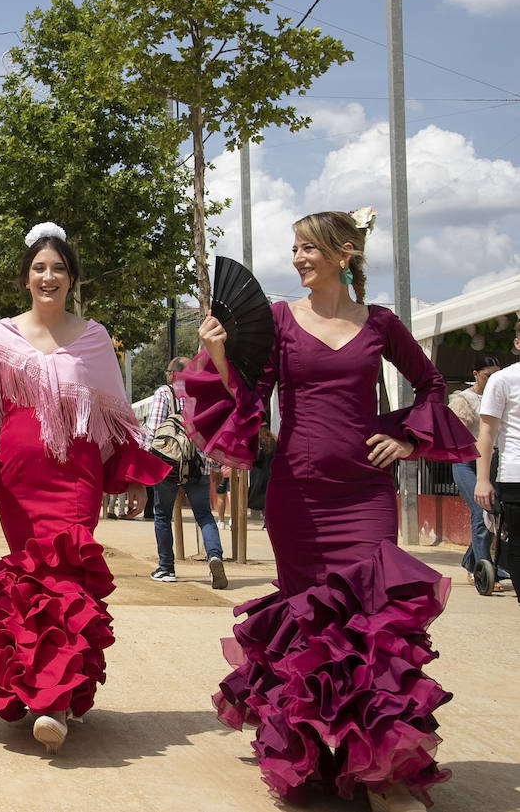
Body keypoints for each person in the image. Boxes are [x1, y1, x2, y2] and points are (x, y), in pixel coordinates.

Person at [183, 209, 476, 812]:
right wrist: (217, 356)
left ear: (344, 253)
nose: (297, 258)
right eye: (293, 248)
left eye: (307, 248)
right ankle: (317, 756)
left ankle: (383, 772)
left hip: (366, 494)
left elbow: (431, 384)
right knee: (312, 625)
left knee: (375, 624)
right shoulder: (279, 319)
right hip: (298, 495)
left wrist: (408, 439)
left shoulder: (381, 323)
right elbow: (250, 399)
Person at [0, 223, 168, 755]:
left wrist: (134, 479)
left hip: (78, 477)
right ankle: (42, 687)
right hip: (18, 479)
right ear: (25, 278)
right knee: (33, 581)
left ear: (72, 278)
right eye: (39, 268)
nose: (48, 276)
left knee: (66, 578)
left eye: (58, 268)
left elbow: (117, 415)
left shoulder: (95, 338)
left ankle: (55, 702)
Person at [144, 357, 227, 587]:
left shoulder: (164, 393)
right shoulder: (204, 395)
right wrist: (215, 465)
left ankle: (166, 568)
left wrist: (146, 462)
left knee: (163, 515)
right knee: (204, 515)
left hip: (168, 465)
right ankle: (214, 556)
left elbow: (153, 430)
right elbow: (213, 432)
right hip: (199, 465)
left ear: (173, 374)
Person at [448, 354, 505, 587]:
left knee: (494, 514)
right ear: (475, 375)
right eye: (487, 376)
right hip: (467, 461)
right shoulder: (463, 400)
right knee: (481, 510)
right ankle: (482, 568)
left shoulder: (502, 396)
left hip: (493, 460)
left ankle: (471, 562)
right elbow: (457, 434)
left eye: (496, 375)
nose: (492, 380)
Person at [475, 320, 520, 603]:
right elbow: (487, 433)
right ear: (517, 342)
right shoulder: (503, 380)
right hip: (516, 475)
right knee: (517, 545)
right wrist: (482, 480)